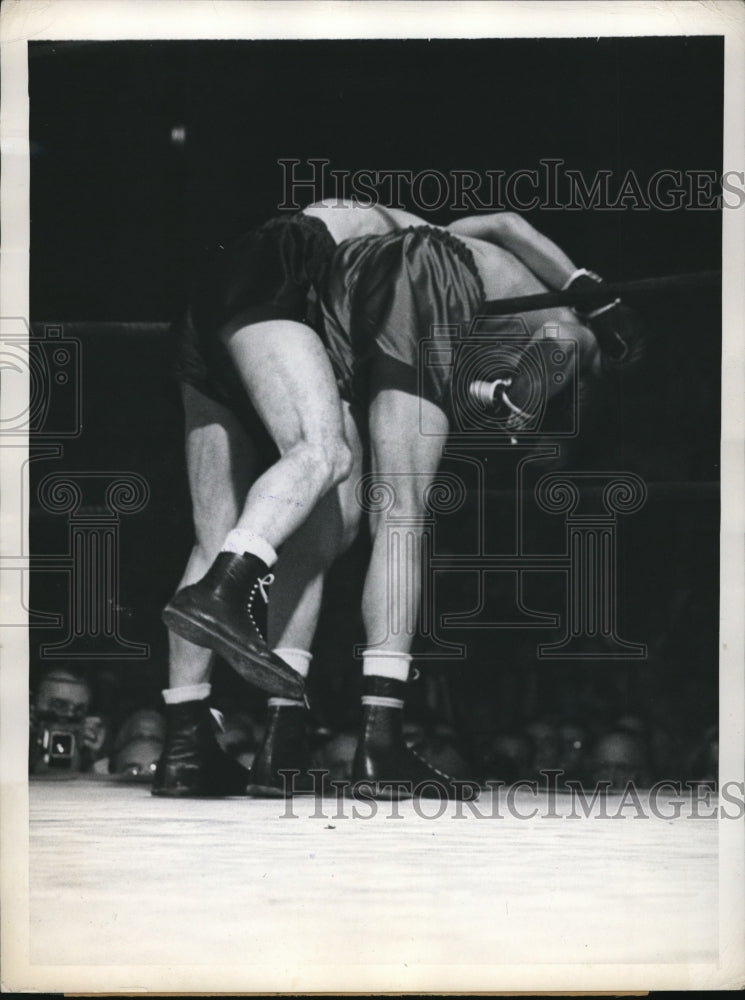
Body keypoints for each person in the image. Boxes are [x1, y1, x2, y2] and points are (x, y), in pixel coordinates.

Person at [156, 201, 642, 800]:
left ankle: (241, 741)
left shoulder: (431, 239)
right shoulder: (571, 326)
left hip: (313, 289)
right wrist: (590, 296)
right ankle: (378, 741)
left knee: (318, 519)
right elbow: (542, 332)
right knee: (396, 506)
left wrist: (492, 391)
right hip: (372, 277)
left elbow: (479, 265)